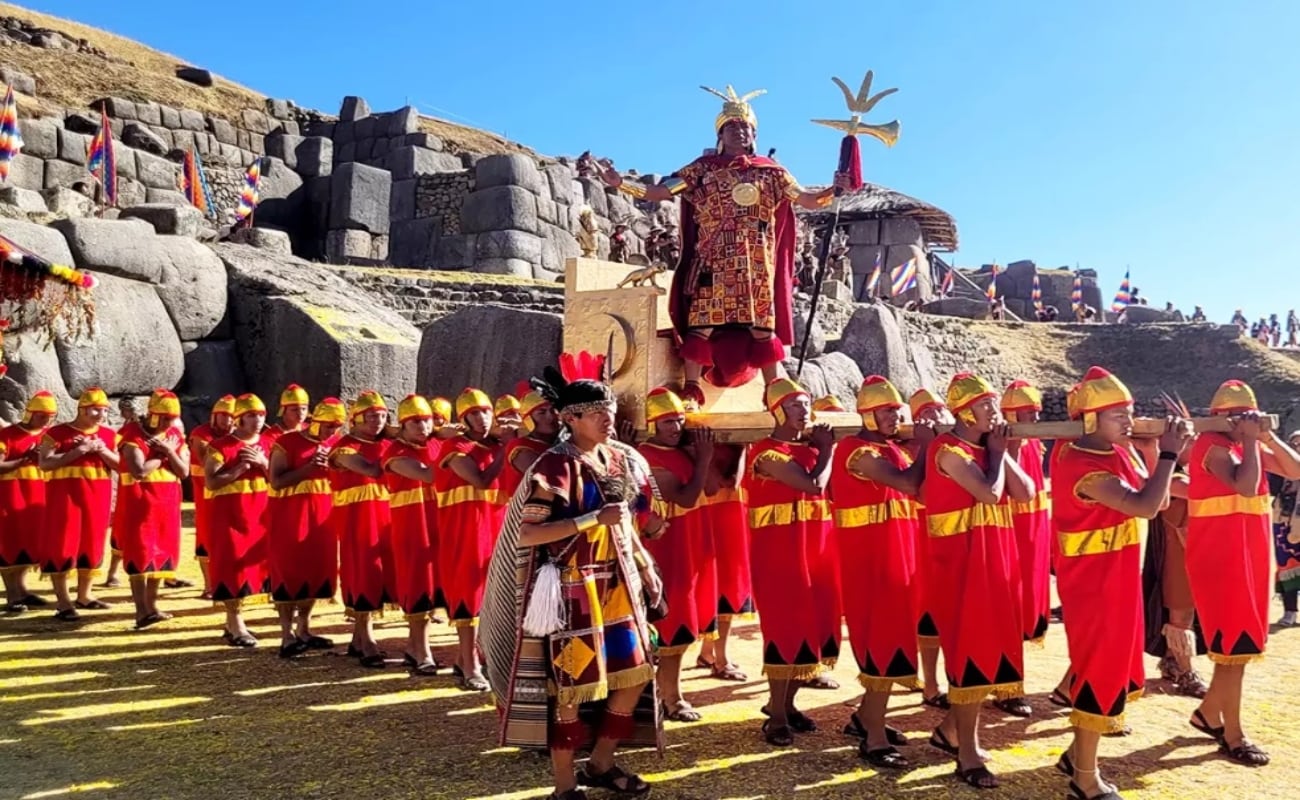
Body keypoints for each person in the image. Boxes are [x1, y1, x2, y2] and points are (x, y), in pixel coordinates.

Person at [600, 86, 852, 405]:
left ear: (754, 133)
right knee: (701, 327)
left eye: (745, 127)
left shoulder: (772, 173)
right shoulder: (701, 170)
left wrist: (835, 189)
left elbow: (807, 200)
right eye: (732, 127)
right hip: (713, 262)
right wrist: (622, 184)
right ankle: (691, 388)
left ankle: (776, 392)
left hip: (755, 265)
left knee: (762, 329)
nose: (740, 131)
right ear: (721, 133)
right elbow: (661, 192)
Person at [480, 367, 663, 800]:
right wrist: (589, 519)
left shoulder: (621, 458)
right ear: (570, 418)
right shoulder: (555, 466)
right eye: (595, 412)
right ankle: (564, 785)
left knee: (634, 674)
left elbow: (627, 526)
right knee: (571, 689)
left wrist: (646, 565)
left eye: (609, 409)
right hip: (572, 591)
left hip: (618, 586)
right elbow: (528, 534)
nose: (607, 418)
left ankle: (601, 763)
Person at [1052, 367, 1191, 800]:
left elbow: (1161, 498)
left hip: (1119, 572)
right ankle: (1085, 779)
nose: (1129, 423)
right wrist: (1168, 454)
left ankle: (1077, 755)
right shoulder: (1078, 463)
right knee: (1098, 665)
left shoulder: (1121, 452)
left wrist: (1154, 455)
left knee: (1114, 662)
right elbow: (1147, 507)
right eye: (1118, 416)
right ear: (1090, 419)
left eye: (1130, 413)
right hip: (1093, 581)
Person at [922, 373, 1034, 790]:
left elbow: (1023, 494)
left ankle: (949, 732)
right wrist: (998, 453)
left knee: (990, 646)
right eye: (987, 407)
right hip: (961, 564)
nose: (995, 412)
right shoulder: (946, 449)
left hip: (994, 557)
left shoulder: (988, 449)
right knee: (969, 648)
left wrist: (1004, 454)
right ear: (965, 412)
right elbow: (988, 494)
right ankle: (966, 752)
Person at [1185, 380, 1300, 766]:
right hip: (1221, 556)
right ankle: (1233, 733)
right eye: (1242, 417)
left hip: (1249, 553)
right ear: (1223, 420)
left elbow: (1296, 470)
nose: (1248, 422)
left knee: (1241, 645)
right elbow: (1247, 486)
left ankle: (1208, 713)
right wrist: (1252, 442)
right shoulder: (1210, 446)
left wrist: (1265, 437)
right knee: (1232, 647)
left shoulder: (1244, 445)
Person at [831, 376, 932, 769]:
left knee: (894, 634)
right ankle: (872, 736)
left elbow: (921, 488)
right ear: (867, 413)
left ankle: (867, 719)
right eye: (887, 410)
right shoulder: (855, 450)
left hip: (898, 553)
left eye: (896, 409)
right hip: (871, 560)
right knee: (881, 635)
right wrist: (923, 446)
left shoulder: (890, 449)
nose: (895, 416)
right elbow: (908, 483)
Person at [742, 377, 839, 746]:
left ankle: (785, 703)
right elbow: (813, 485)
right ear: (778, 410)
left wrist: (822, 452)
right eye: (796, 404)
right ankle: (777, 717)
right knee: (785, 627)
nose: (804, 410)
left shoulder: (811, 450)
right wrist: (827, 451)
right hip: (779, 553)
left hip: (816, 548)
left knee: (814, 626)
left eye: (807, 403)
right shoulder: (766, 453)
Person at [638, 387, 716, 722]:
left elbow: (713, 487)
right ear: (652, 424)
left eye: (679, 420)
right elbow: (684, 497)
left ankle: (666, 693)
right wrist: (703, 459)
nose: (675, 427)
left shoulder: (684, 451)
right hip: (666, 545)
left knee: (684, 617)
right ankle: (669, 697)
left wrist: (733, 451)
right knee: (668, 620)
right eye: (667, 421)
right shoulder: (646, 455)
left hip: (691, 541)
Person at [435, 388, 510, 690]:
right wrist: (506, 450)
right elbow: (480, 480)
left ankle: (474, 658)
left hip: (495, 526)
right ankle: (471, 666)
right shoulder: (456, 446)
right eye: (474, 413)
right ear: (463, 418)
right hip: (464, 529)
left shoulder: (494, 445)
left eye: (486, 412)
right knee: (469, 593)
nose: (482, 418)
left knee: (493, 596)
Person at [267, 397, 345, 658]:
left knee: (317, 570)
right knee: (289, 571)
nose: (331, 432)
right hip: (289, 517)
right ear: (314, 421)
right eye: (326, 426)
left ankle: (304, 628)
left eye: (336, 427)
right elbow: (276, 481)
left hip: (323, 518)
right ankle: (286, 634)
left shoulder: (336, 445)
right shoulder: (286, 443)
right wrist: (309, 469)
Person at [994, 380, 1053, 719]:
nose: (1035, 416)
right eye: (1028, 411)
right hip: (1012, 534)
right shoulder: (1004, 445)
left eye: (1036, 410)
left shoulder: (1034, 444)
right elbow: (1012, 490)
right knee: (1009, 608)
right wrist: (1010, 445)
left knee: (1025, 607)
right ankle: (1007, 686)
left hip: (1034, 535)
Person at [39, 387, 120, 619]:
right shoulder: (56, 433)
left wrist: (102, 450)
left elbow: (119, 465)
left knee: (92, 543)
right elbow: (45, 463)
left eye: (104, 410)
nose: (101, 415)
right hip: (64, 497)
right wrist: (80, 450)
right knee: (62, 543)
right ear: (82, 409)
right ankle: (63, 602)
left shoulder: (107, 435)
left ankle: (85, 596)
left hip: (97, 495)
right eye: (96, 410)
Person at [115, 390, 188, 630]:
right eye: (163, 418)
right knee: (140, 551)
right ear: (152, 414)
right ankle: (140, 611)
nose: (167, 423)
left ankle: (153, 606)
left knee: (162, 551)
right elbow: (139, 471)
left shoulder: (174, 435)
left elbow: (184, 471)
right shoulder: (131, 435)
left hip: (167, 501)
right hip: (139, 502)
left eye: (171, 419)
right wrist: (161, 454)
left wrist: (167, 452)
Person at [204, 394, 272, 647]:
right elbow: (211, 481)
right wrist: (240, 469)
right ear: (239, 418)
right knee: (231, 566)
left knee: (252, 567)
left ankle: (234, 623)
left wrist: (263, 462)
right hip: (230, 516)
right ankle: (235, 623)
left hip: (260, 515)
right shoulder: (221, 446)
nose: (258, 420)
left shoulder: (269, 443)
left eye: (261, 415)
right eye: (252, 415)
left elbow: (276, 478)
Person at [330, 390, 393, 667]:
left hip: (385, 515)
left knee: (381, 570)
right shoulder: (344, 448)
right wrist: (398, 440)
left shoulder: (386, 443)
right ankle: (367, 638)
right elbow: (372, 471)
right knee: (363, 570)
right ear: (355, 419)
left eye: (382, 416)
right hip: (357, 519)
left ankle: (358, 639)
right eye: (371, 417)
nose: (377, 422)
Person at [383, 394, 442, 675]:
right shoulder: (395, 453)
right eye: (415, 422)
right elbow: (430, 475)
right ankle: (422, 650)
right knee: (417, 583)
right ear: (403, 426)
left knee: (435, 585)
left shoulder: (435, 444)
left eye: (427, 421)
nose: (423, 427)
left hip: (437, 522)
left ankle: (413, 646)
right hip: (411, 526)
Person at [905, 388, 950, 710]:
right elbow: (919, 492)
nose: (935, 418)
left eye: (939, 411)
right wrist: (925, 444)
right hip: (918, 534)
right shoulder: (907, 448)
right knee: (927, 610)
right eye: (927, 413)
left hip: (950, 532)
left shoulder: (954, 445)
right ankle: (931, 683)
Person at [695, 442, 752, 682]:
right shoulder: (695, 439)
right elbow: (724, 483)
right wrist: (741, 449)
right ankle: (720, 659)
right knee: (718, 583)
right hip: (711, 513)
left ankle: (710, 652)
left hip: (733, 511)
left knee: (727, 582)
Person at [0, 391, 56, 613]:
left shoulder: (48, 436)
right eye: (41, 415)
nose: (46, 420)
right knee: (8, 543)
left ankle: (22, 590)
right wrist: (25, 459)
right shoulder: (7, 435)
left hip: (38, 496)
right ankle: (12, 596)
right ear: (30, 414)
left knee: (28, 543)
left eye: (50, 416)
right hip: (10, 495)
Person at [190, 395, 235, 600]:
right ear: (214, 416)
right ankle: (209, 585)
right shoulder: (201, 434)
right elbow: (207, 460)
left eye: (233, 416)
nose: (228, 421)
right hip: (205, 491)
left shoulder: (239, 436)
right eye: (224, 416)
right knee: (206, 533)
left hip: (230, 490)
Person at [500, 390, 559, 499]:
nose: (550, 417)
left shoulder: (558, 443)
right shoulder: (520, 446)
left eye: (552, 410)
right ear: (529, 419)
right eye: (542, 412)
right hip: (527, 513)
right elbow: (549, 479)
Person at [1271, 430, 1300, 626]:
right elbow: (1272, 488)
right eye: (1295, 444)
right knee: (1288, 566)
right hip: (1284, 523)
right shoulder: (1281, 466)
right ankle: (1290, 611)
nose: (1298, 448)